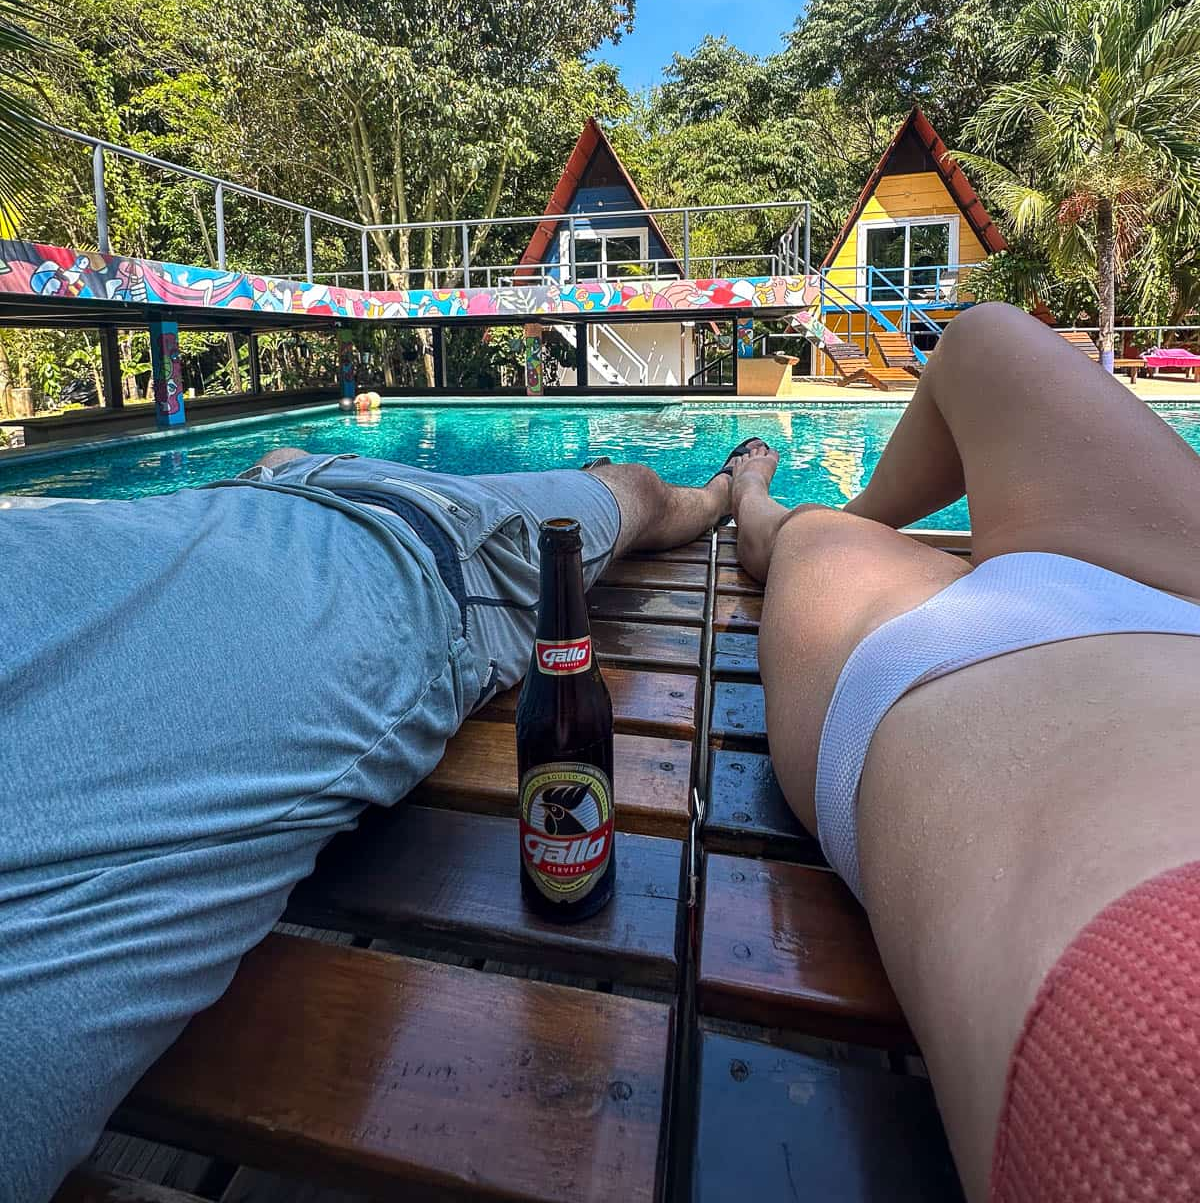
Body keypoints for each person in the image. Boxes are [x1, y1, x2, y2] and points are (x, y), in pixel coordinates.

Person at [0, 444, 738, 1203]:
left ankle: (721, 498)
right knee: (632, 488)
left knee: (626, 493)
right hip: (417, 536)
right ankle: (718, 489)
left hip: (301, 493)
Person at [729, 303, 1200, 1203]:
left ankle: (774, 507)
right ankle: (842, 524)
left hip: (971, 672)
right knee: (985, 343)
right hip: (1164, 601)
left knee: (803, 533)